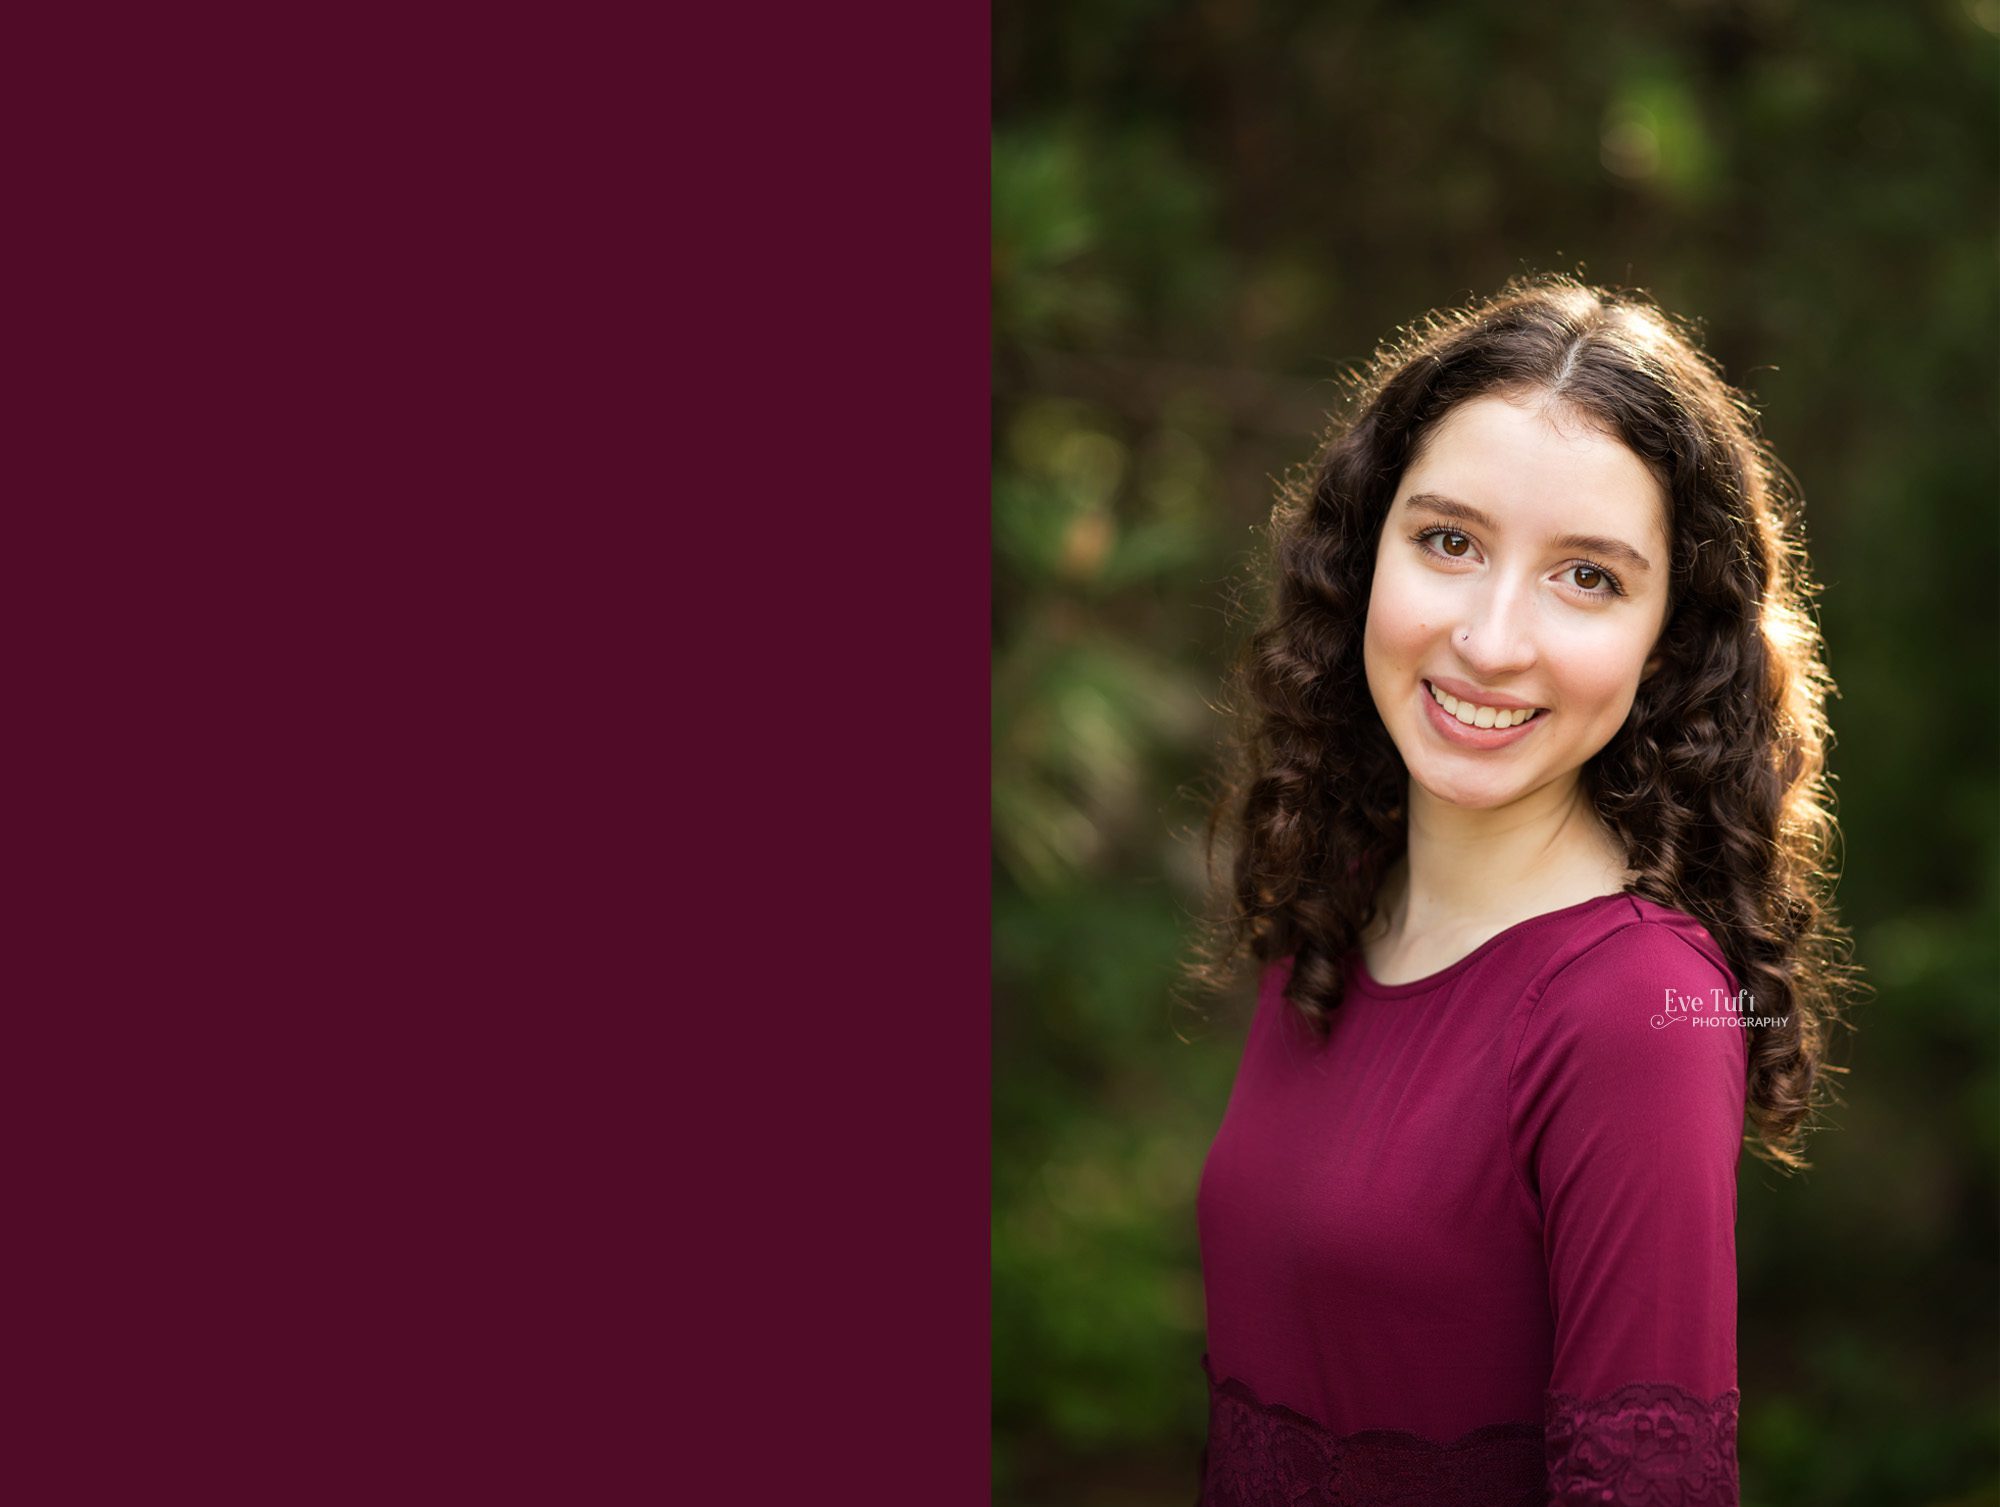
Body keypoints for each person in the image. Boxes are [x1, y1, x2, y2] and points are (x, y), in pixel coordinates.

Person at [1182, 275, 1863, 1506]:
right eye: (1448, 541)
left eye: (1587, 577)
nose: (1491, 640)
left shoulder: (1640, 1008)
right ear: (1361, 555)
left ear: (1672, 640)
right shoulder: (1343, 896)